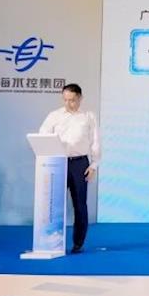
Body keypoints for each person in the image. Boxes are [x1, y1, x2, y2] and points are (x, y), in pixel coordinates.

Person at [38, 83, 101, 254]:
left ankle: (78, 243)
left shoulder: (88, 117)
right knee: (53, 203)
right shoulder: (54, 116)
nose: (68, 103)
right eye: (65, 100)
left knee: (80, 204)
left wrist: (94, 164)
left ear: (80, 98)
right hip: (57, 162)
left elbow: (95, 141)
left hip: (80, 163)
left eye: (72, 100)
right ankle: (51, 241)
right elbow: (42, 135)